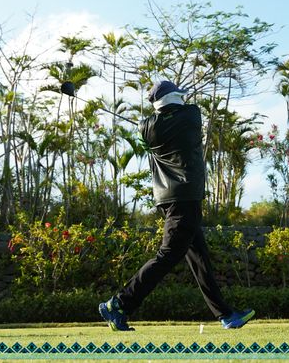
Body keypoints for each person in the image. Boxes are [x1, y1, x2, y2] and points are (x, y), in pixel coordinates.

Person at [99, 80, 255, 331]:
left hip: (168, 198)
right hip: (184, 198)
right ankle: (118, 304)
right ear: (173, 98)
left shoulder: (146, 127)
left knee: (199, 258)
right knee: (168, 255)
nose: (183, 99)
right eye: (179, 96)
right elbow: (181, 111)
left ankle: (226, 314)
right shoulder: (192, 115)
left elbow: (152, 125)